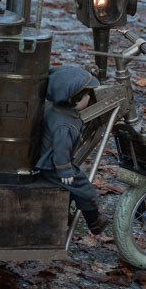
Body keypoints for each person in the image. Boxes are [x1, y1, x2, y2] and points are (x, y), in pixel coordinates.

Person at [36, 66, 108, 235]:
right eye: (86, 95)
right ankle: (94, 221)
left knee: (74, 186)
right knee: (83, 187)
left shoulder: (58, 111)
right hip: (52, 165)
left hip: (50, 162)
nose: (89, 98)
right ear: (73, 99)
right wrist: (65, 170)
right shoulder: (64, 125)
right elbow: (61, 150)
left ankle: (64, 214)